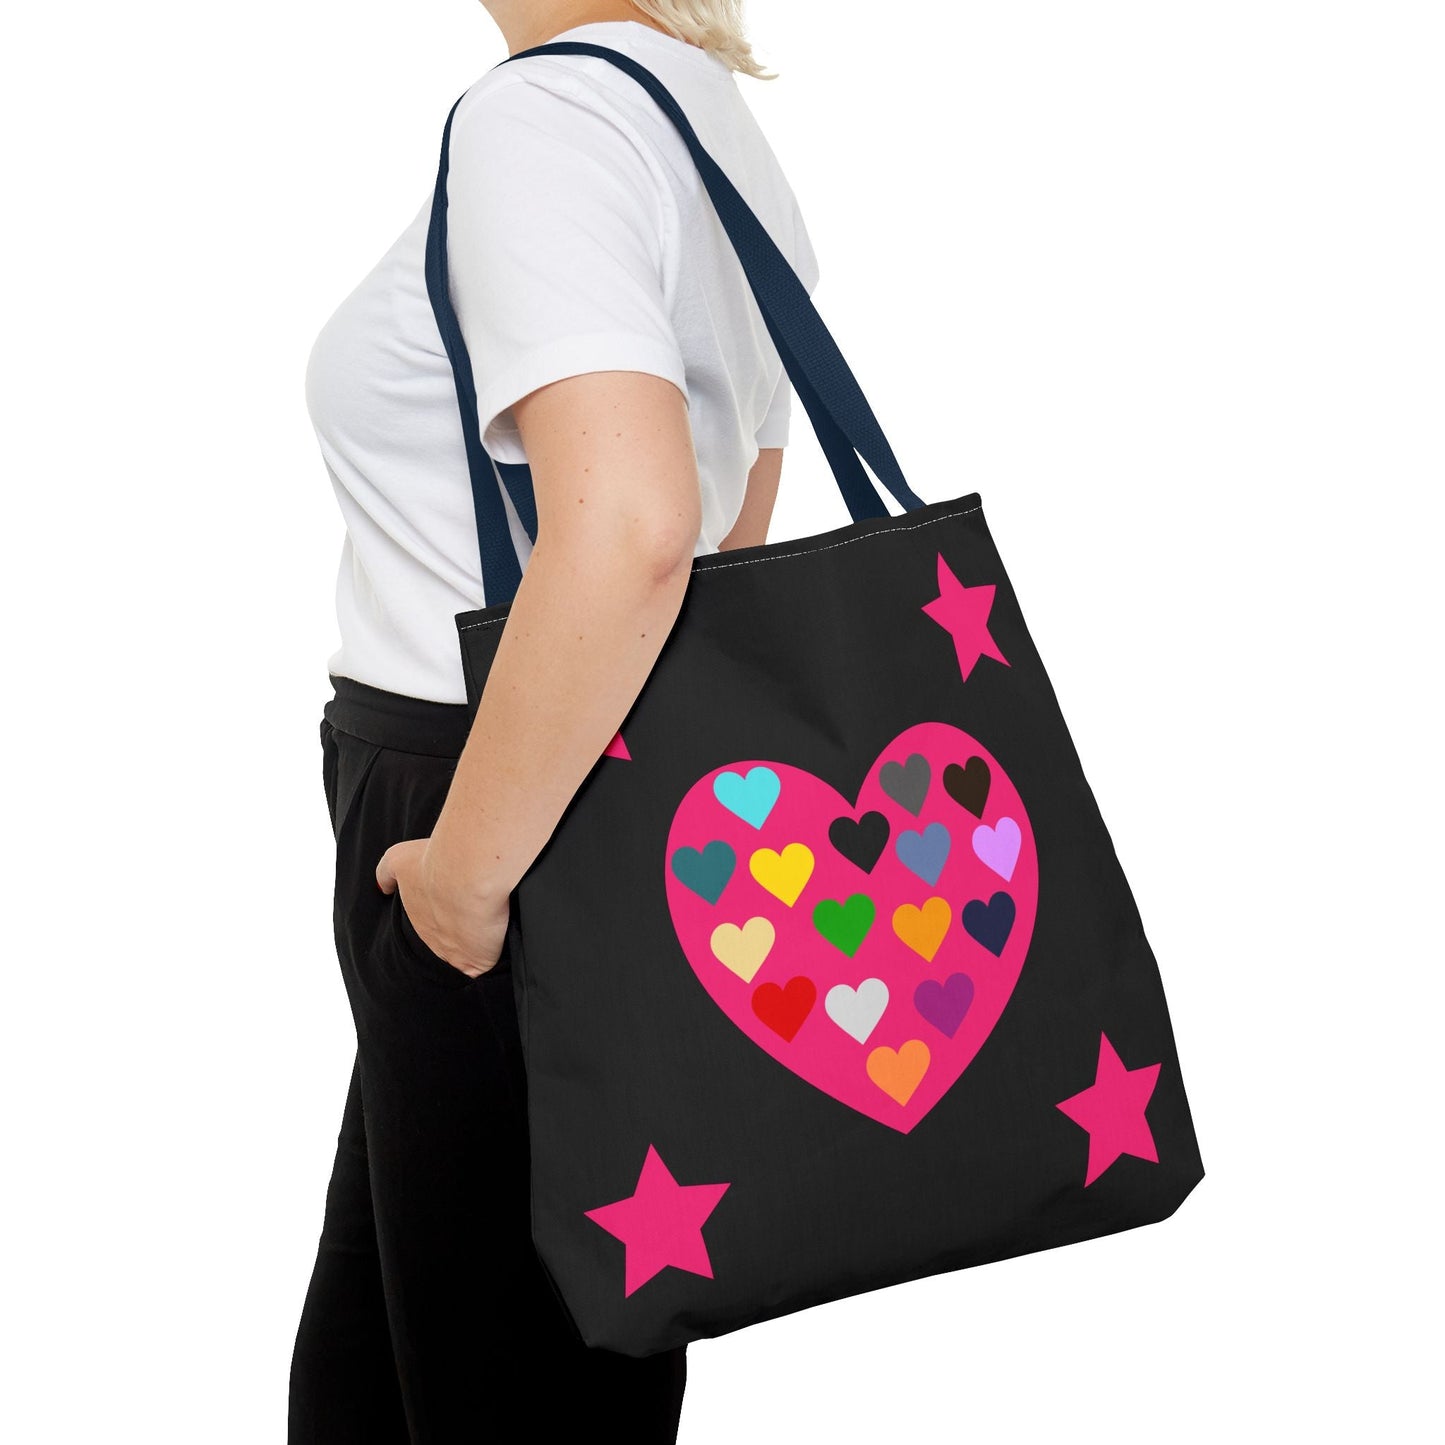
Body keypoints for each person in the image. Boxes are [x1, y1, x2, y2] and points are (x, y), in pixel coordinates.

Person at [287, 2, 819, 1439]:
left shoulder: (546, 120)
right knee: (409, 1373)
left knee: (495, 1389)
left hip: (488, 815)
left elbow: (640, 527)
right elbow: (735, 525)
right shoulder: (699, 112)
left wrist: (463, 885)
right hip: (583, 792)